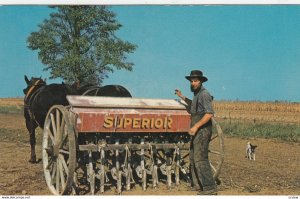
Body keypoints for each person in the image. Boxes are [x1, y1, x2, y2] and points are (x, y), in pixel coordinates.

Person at [175, 70, 217, 195]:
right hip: (197, 130)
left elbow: (209, 114)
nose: (193, 83)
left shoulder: (204, 94)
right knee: (193, 158)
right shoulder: (197, 95)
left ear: (201, 81)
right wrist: (181, 96)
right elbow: (193, 105)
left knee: (200, 158)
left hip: (203, 130)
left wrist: (196, 126)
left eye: (195, 81)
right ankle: (199, 185)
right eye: (191, 81)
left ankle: (210, 188)